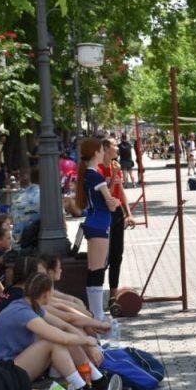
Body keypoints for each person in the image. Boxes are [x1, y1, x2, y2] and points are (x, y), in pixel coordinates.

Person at [0, 273, 121, 390]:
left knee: (61, 338)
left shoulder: (30, 305)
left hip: (16, 366)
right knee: (53, 342)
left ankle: (96, 381)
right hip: (6, 373)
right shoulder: (22, 312)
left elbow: (64, 326)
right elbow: (61, 337)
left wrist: (89, 342)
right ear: (46, 294)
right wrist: (87, 340)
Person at [76, 137, 121, 323]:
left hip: (96, 222)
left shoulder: (89, 174)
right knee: (97, 270)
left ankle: (96, 313)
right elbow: (110, 203)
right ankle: (97, 314)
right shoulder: (95, 175)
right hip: (99, 224)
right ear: (96, 152)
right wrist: (116, 202)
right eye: (102, 150)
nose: (104, 153)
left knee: (95, 268)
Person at [100, 138, 135, 299]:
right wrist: (113, 175)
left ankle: (113, 295)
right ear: (106, 148)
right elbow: (107, 194)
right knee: (103, 257)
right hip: (104, 213)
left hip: (117, 213)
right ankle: (98, 292)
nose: (118, 147)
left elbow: (120, 192)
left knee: (117, 254)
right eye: (114, 145)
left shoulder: (116, 166)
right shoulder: (99, 169)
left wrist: (129, 213)